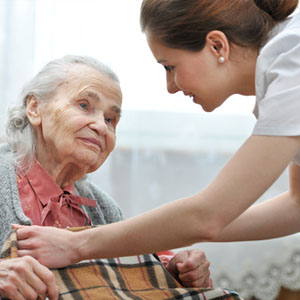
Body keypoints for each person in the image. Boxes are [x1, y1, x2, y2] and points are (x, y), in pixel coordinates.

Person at [15, 0, 300, 273]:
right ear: (34, 108)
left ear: (217, 45)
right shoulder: (282, 74)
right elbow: (295, 206)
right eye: (84, 106)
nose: (170, 87)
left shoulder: (292, 66)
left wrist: (76, 244)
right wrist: (167, 242)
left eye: (169, 67)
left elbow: (207, 217)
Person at [0, 54, 212, 300]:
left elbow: (126, 276)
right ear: (35, 108)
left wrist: (174, 272)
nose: (101, 126)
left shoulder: (104, 208)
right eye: (84, 105)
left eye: (111, 119)